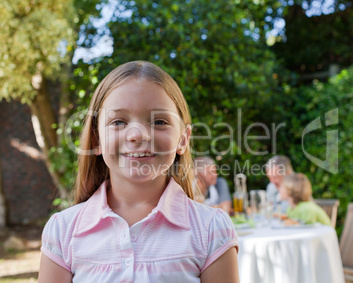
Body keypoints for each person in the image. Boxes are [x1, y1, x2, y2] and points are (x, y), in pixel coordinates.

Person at [38, 61, 239, 282]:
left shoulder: (210, 230)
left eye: (159, 121)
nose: (138, 135)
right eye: (119, 122)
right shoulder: (63, 231)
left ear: (183, 139)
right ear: (96, 139)